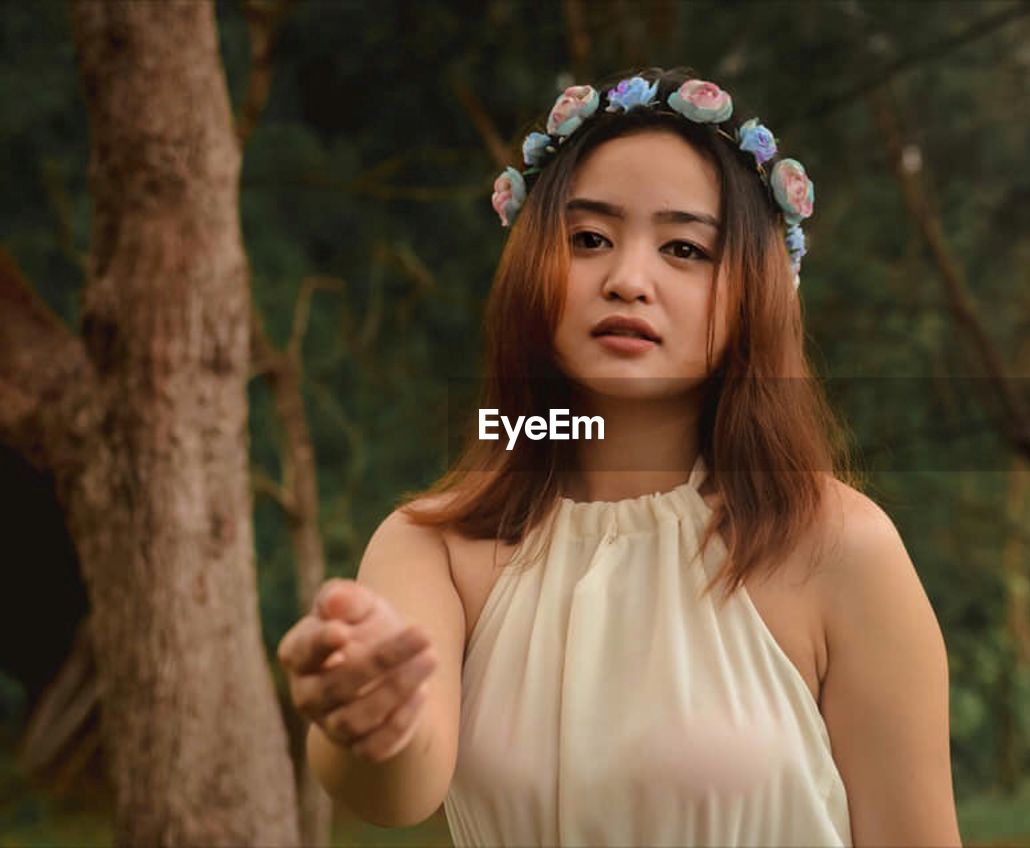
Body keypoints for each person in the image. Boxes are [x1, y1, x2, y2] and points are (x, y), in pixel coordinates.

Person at [277, 66, 962, 847]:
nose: (628, 280)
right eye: (590, 239)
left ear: (760, 292)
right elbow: (396, 789)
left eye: (685, 248)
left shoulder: (839, 546)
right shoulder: (432, 544)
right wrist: (363, 714)